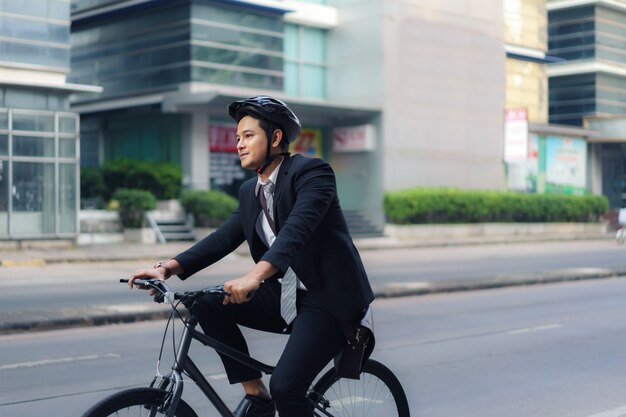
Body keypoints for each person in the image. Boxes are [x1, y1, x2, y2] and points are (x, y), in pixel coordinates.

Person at [129, 96, 374, 417]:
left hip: (327, 299)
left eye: (248, 136)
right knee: (205, 303)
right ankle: (256, 392)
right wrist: (167, 268)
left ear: (275, 138)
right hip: (285, 297)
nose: (239, 145)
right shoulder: (250, 191)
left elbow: (295, 233)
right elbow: (223, 238)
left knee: (287, 387)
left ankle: (277, 396)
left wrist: (254, 276)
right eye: (237, 138)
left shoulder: (313, 173)